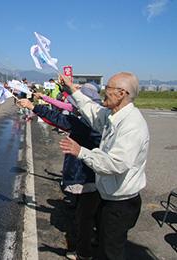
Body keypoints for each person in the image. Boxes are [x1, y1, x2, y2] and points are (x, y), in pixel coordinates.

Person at [59, 72, 149, 260]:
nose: (103, 92)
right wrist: (71, 88)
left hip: (120, 204)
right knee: (105, 245)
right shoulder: (113, 115)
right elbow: (91, 110)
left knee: (111, 253)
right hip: (108, 195)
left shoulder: (132, 125)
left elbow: (115, 164)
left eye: (108, 88)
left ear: (121, 93)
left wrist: (81, 152)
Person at [19, 84, 103, 260]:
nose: (73, 107)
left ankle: (84, 253)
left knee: (84, 216)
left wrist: (33, 106)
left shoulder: (86, 125)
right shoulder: (101, 121)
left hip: (87, 176)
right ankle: (97, 239)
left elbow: (58, 118)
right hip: (99, 175)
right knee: (97, 212)